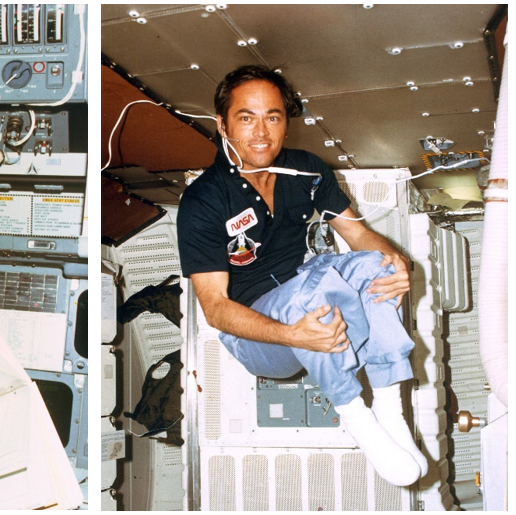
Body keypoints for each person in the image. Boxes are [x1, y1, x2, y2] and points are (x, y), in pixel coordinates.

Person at [177, 65, 426, 486]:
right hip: (258, 338)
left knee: (373, 263)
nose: (261, 132)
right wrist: (292, 335)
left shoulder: (306, 170)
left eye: (272, 117)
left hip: (312, 305)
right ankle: (356, 417)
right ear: (222, 124)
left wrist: (395, 263)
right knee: (311, 293)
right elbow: (217, 310)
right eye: (245, 117)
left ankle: (388, 404)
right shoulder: (204, 200)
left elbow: (357, 233)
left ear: (286, 124)